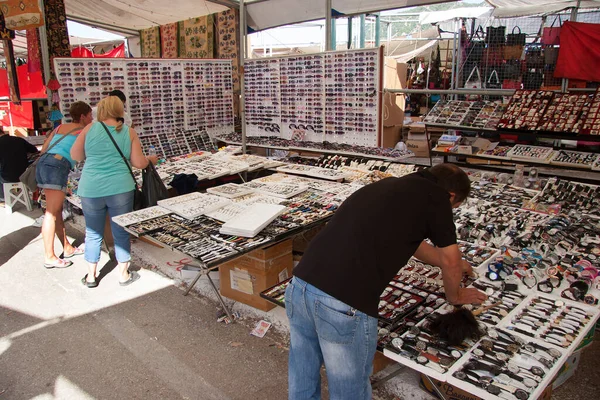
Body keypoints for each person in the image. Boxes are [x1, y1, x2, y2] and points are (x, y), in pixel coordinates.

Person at [285, 164, 488, 400]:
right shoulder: (438, 198)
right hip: (342, 303)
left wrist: (447, 263)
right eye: (454, 207)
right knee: (349, 387)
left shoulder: (389, 185)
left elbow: (417, 245)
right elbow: (452, 260)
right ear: (452, 196)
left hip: (300, 286)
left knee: (302, 370)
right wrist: (456, 295)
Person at [71, 96, 157, 288]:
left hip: (90, 188)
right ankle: (123, 274)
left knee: (93, 233)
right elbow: (138, 163)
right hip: (120, 187)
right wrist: (151, 159)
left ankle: (91, 276)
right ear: (120, 111)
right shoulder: (128, 132)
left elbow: (75, 156)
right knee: (121, 231)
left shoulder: (89, 129)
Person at [36, 102, 93, 268]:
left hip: (45, 164)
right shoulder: (84, 131)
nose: (91, 118)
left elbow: (44, 149)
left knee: (57, 211)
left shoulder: (60, 127)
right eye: (90, 115)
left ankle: (67, 247)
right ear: (82, 116)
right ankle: (49, 256)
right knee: (51, 213)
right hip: (57, 166)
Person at [0, 127, 39, 201]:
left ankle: (2, 199)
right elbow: (34, 150)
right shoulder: (19, 139)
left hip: (8, 177)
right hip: (24, 174)